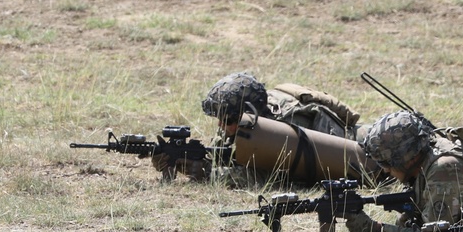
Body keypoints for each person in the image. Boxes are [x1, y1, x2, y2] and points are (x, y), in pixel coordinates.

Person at [153, 72, 363, 185]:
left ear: (248, 116)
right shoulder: (243, 119)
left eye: (227, 120)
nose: (221, 126)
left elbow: (275, 176)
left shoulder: (285, 128)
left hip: (361, 151)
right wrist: (181, 160)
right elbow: (225, 154)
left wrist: (211, 175)